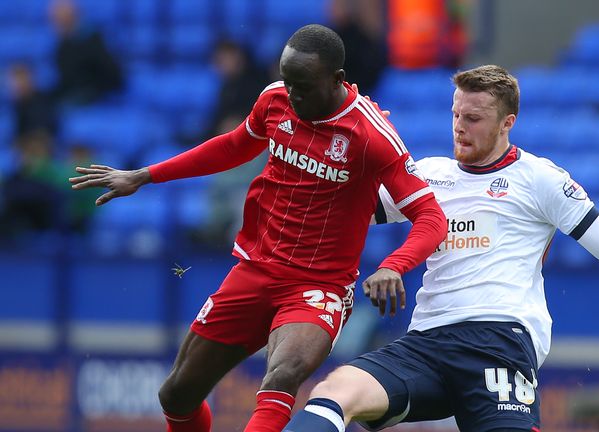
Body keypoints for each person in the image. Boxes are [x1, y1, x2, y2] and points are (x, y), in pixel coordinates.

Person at [282, 65, 599, 432]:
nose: (460, 126)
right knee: (334, 393)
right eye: (456, 115)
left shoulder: (541, 179)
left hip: (498, 341)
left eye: (473, 118)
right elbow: (342, 212)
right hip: (426, 343)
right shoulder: (430, 175)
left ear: (507, 123)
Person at [69, 24, 447, 432]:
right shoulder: (276, 98)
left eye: (304, 86)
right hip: (255, 269)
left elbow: (431, 217)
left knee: (281, 376)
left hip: (318, 286)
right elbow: (233, 146)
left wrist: (394, 264)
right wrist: (146, 175)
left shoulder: (371, 136)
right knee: (176, 394)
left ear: (337, 80)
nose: (294, 95)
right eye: (289, 82)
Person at [49, 0, 123, 105]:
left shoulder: (92, 41)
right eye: (54, 19)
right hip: (74, 93)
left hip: (96, 97)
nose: (56, 24)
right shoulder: (62, 45)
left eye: (61, 19)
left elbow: (112, 77)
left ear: (74, 16)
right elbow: (65, 80)